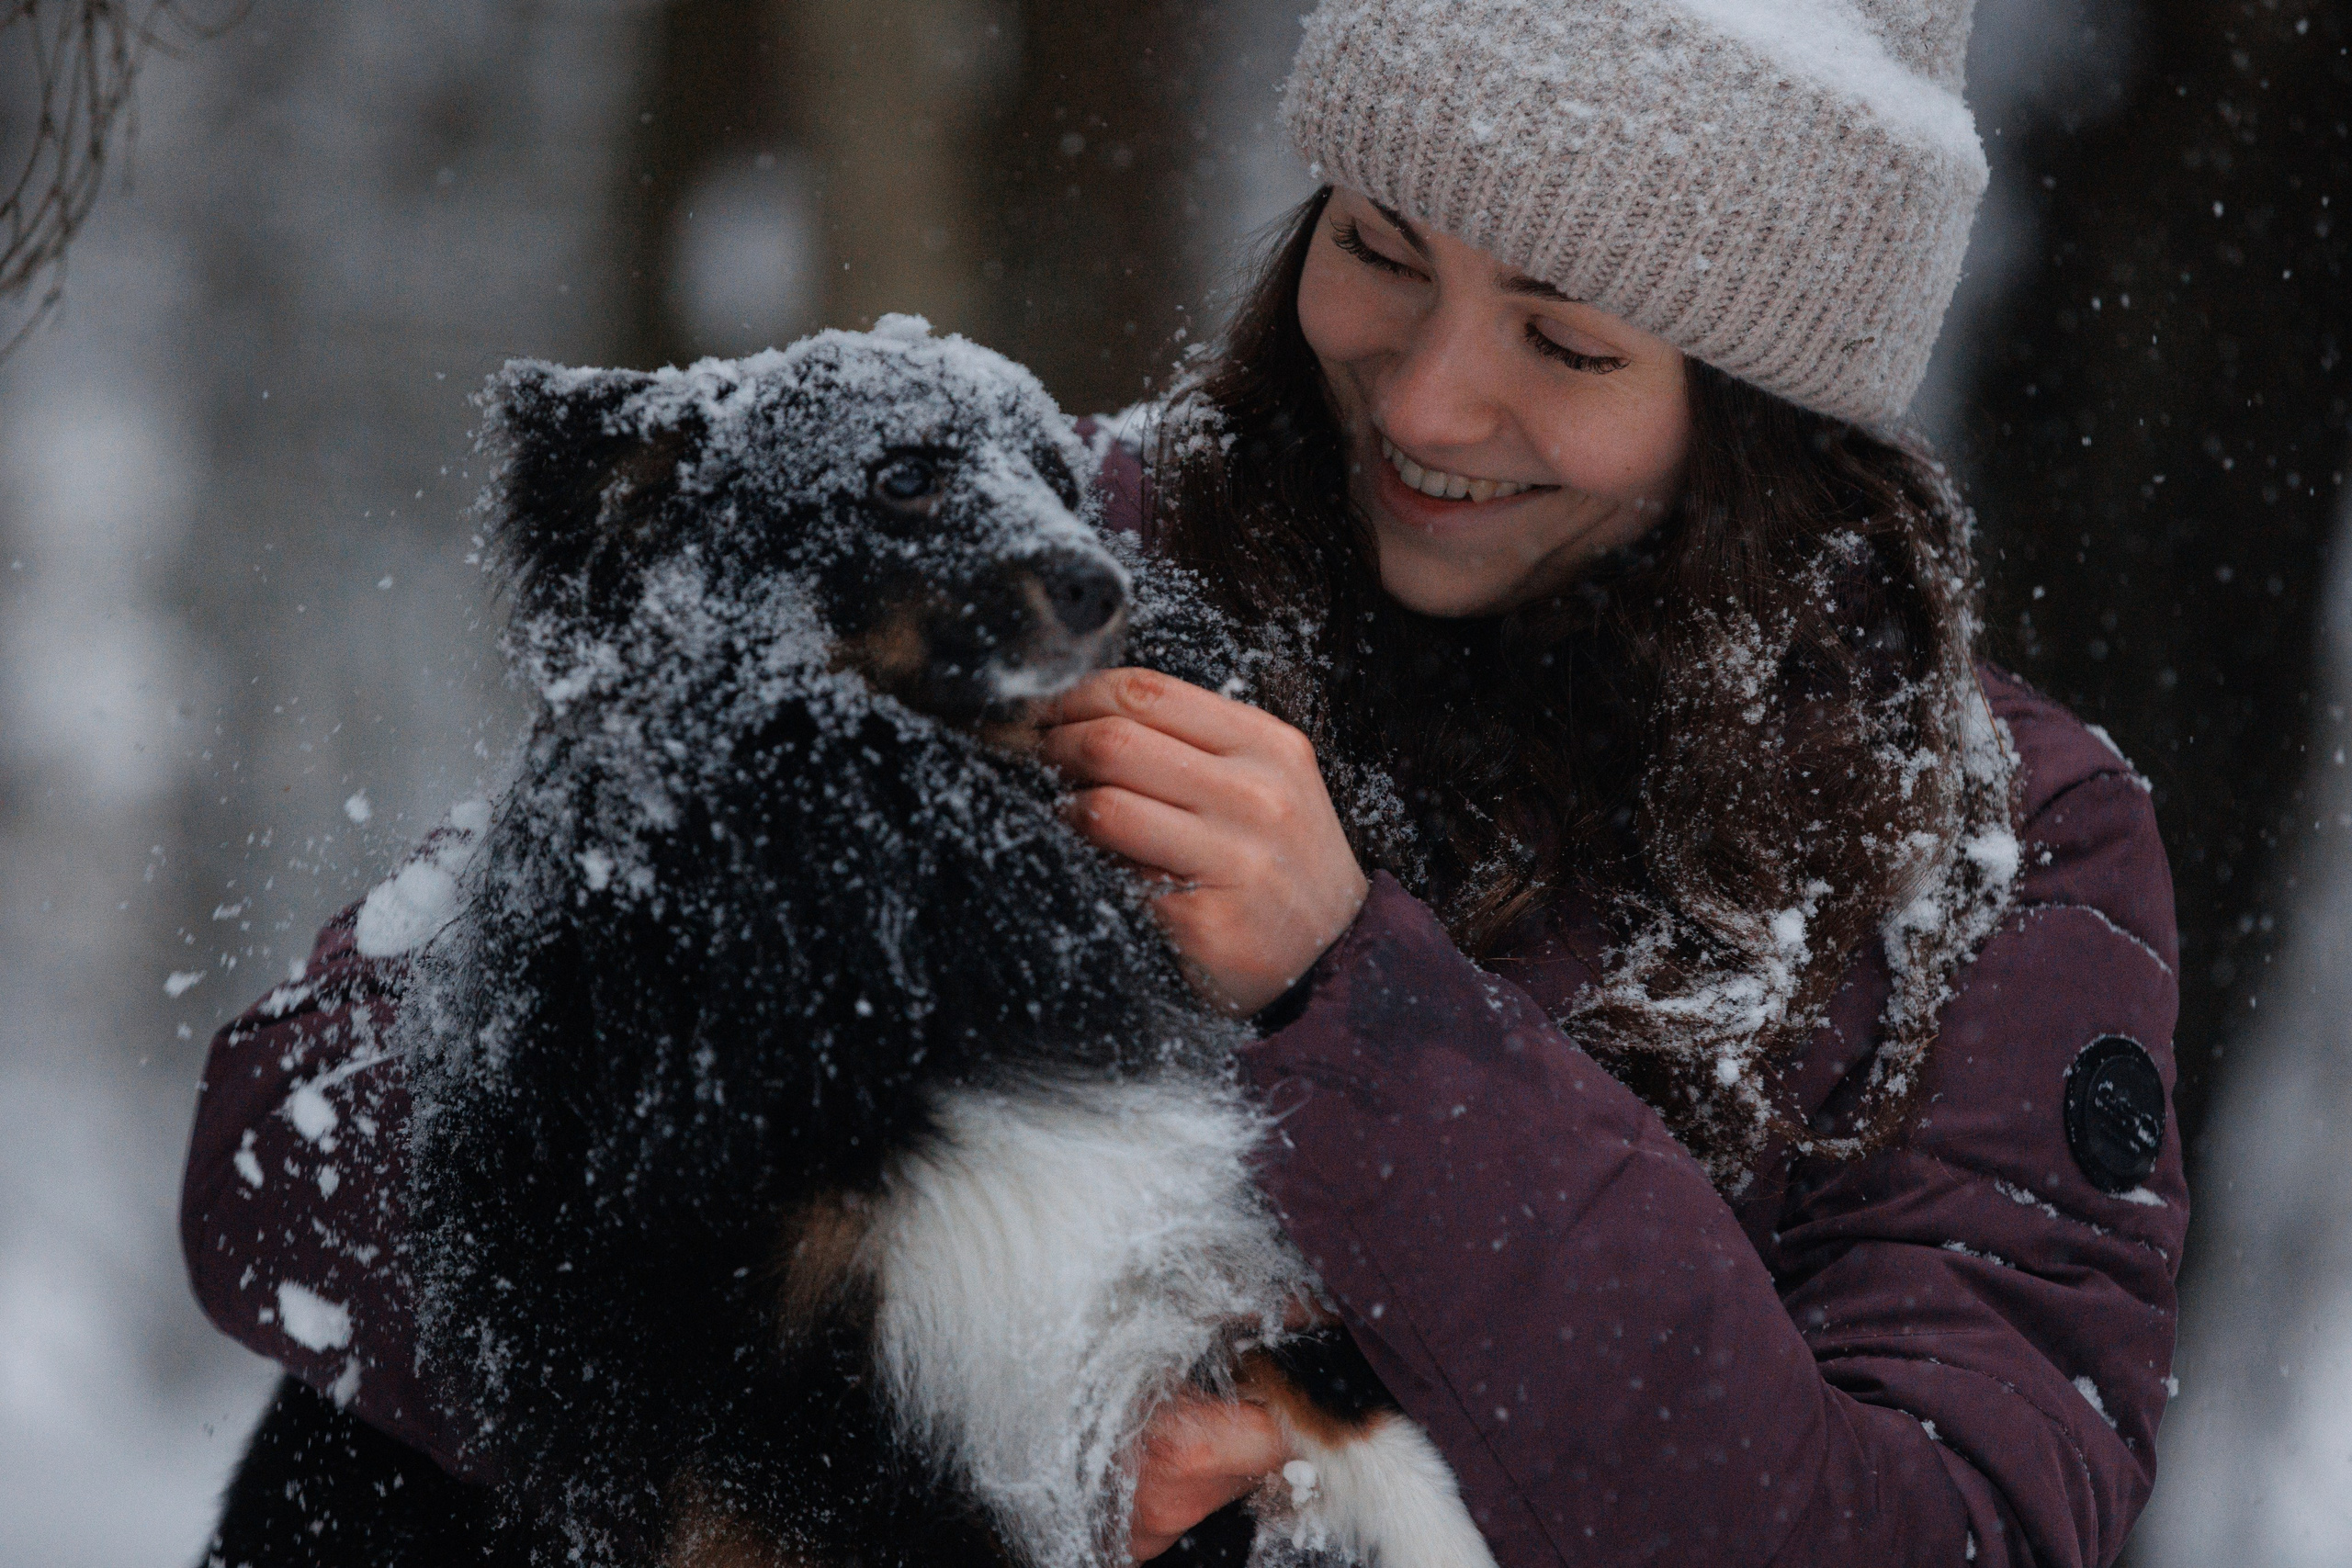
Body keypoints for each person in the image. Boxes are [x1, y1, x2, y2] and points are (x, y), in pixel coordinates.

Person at [181, 1, 2187, 1563]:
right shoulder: (1042, 548)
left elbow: (1938, 1523)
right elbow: (295, 1156)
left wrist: (1358, 1010)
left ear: (1762, 412)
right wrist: (987, 1408)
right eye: (1379, 248)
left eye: (1565, 345)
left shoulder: (1989, 848)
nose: (1423, 395)